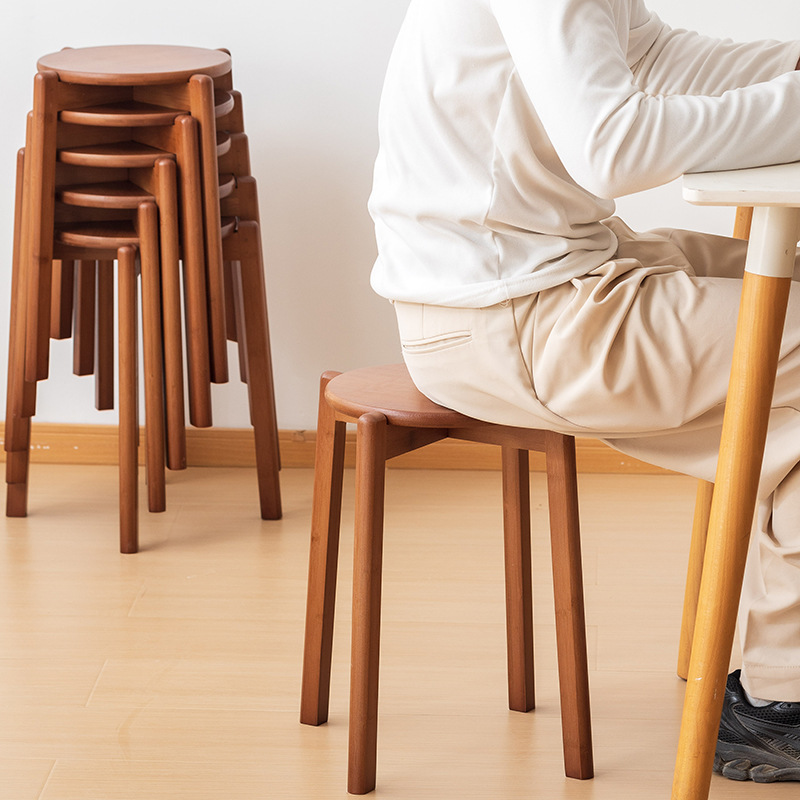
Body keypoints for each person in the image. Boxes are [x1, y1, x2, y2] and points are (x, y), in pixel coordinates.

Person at [368, 0, 800, 784]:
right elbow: (612, 147)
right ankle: (780, 702)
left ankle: (782, 684)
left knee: (787, 328)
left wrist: (790, 69)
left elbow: (651, 53)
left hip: (551, 277)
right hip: (515, 317)